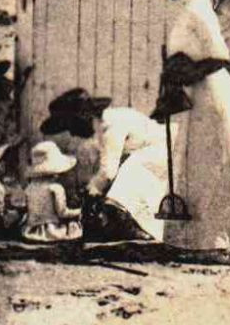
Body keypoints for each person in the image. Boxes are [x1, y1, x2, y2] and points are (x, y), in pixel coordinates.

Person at [137, 0, 230, 251]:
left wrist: (183, 73)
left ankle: (220, 239)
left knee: (214, 163)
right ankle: (198, 239)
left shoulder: (198, 10)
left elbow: (218, 57)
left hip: (213, 92)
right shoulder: (190, 6)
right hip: (201, 95)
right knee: (199, 163)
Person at [39, 87, 168, 241]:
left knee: (126, 175)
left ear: (84, 118)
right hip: (152, 156)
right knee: (121, 180)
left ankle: (139, 228)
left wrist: (91, 191)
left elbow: (108, 172)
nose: (73, 133)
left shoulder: (112, 127)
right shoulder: (105, 123)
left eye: (72, 127)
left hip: (164, 153)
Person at [21, 141, 83, 243]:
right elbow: (62, 213)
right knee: (74, 226)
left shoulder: (29, 188)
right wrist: (79, 212)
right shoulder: (55, 188)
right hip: (51, 231)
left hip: (31, 230)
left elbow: (26, 209)